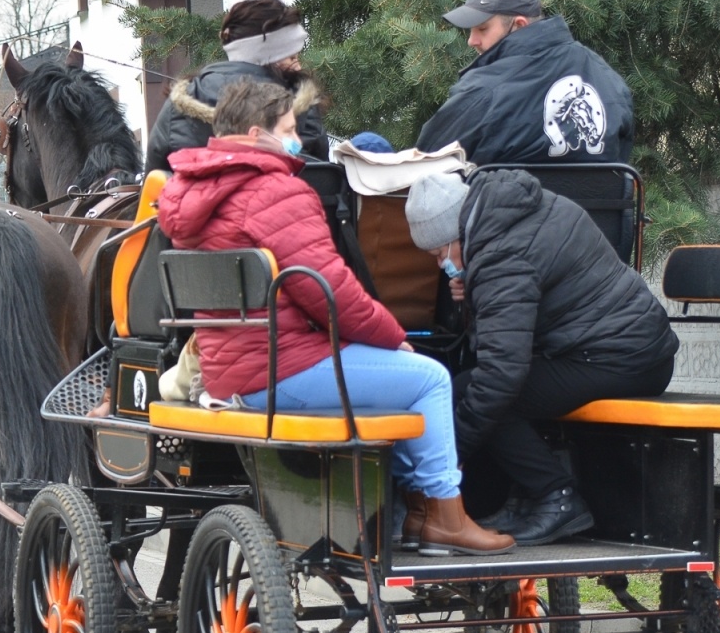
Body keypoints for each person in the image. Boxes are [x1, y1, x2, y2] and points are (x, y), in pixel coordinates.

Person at [157, 80, 511, 556]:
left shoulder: (190, 194)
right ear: (258, 132)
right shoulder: (274, 190)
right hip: (281, 369)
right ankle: (445, 515)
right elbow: (330, 293)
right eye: (288, 130)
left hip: (231, 372)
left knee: (400, 380)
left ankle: (418, 515)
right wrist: (392, 336)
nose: (297, 142)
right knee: (428, 378)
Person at [405, 170, 678, 545]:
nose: (441, 265)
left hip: (619, 357)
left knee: (479, 392)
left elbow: (501, 376)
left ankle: (557, 496)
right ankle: (524, 498)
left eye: (439, 254)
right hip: (633, 345)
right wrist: (477, 289)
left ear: (456, 234)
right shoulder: (518, 211)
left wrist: (452, 454)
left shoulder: (500, 257)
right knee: (482, 387)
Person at [415, 0, 634, 165]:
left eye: (482, 28)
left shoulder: (483, 91)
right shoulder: (610, 81)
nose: (472, 41)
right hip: (597, 213)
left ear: (519, 25)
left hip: (505, 212)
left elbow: (427, 163)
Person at [145, 0, 329, 174]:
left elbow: (154, 180)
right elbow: (322, 180)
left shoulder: (180, 103)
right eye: (292, 57)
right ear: (268, 56)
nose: (299, 66)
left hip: (196, 205)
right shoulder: (298, 102)